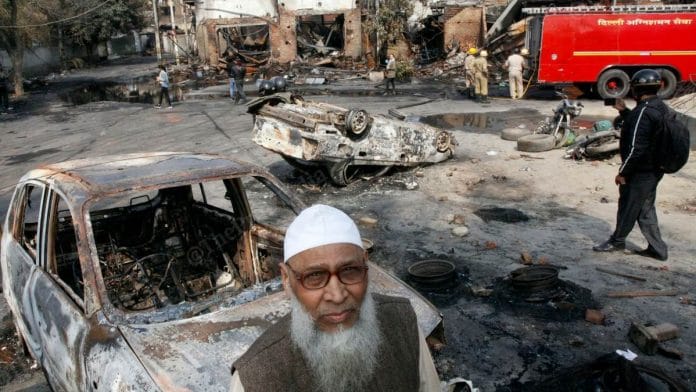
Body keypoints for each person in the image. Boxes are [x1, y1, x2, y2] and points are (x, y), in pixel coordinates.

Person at [231, 204, 441, 392]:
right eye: (314, 276)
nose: (337, 295)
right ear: (286, 279)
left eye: (349, 270)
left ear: (365, 265)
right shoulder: (254, 377)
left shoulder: (402, 321)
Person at [593, 69, 669, 261]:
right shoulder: (659, 107)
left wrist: (623, 172)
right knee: (645, 207)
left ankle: (617, 241)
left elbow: (636, 148)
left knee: (628, 205)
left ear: (635, 89)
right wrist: (625, 111)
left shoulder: (642, 112)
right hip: (655, 168)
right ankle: (657, 248)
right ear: (658, 87)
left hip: (640, 171)